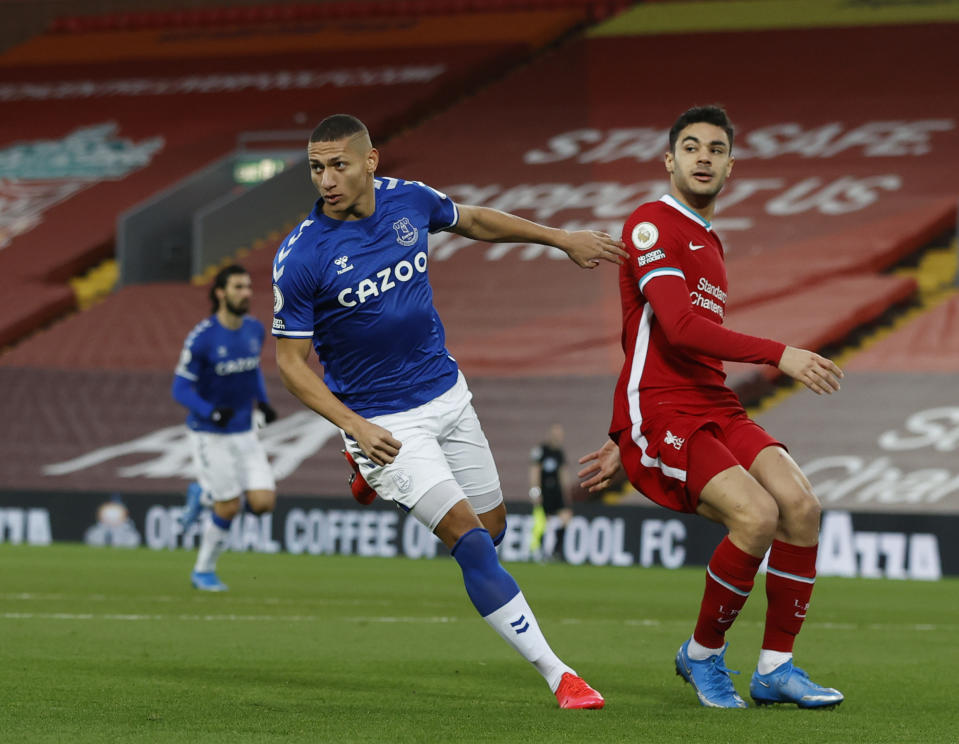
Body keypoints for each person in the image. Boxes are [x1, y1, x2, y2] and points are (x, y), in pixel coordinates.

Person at [271, 114, 627, 709]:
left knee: (494, 529)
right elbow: (289, 363)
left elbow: (476, 220)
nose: (326, 179)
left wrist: (560, 238)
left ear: (370, 161)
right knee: (472, 544)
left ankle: (366, 472)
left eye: (338, 164)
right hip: (385, 424)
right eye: (316, 167)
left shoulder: (409, 201)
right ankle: (560, 675)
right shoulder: (303, 255)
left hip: (447, 395)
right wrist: (354, 425)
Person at [578, 105, 845, 710]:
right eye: (692, 147)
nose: (704, 157)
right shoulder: (650, 223)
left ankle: (776, 668)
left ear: (731, 165)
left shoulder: (711, 242)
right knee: (754, 516)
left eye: (716, 149)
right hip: (664, 407)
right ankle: (701, 656)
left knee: (801, 506)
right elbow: (674, 327)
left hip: (711, 400)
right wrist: (782, 354)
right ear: (669, 161)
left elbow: (664, 339)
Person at [172, 264, 278, 592]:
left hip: (244, 431)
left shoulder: (254, 330)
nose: (246, 293)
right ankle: (203, 571)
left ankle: (203, 493)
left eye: (248, 287)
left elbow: (252, 371)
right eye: (238, 287)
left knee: (262, 503)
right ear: (220, 292)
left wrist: (263, 402)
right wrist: (210, 411)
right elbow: (180, 387)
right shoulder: (202, 338)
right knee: (229, 506)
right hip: (209, 433)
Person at [528, 423, 572, 562]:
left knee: (566, 518)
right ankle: (540, 551)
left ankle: (556, 550)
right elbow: (534, 472)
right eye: (556, 434)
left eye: (560, 434)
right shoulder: (541, 451)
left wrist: (567, 492)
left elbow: (563, 473)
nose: (558, 437)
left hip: (556, 491)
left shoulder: (560, 453)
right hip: (544, 491)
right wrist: (535, 491)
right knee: (543, 522)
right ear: (551, 434)